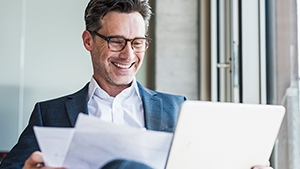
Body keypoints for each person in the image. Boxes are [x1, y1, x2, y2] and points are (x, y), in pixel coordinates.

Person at [0, 0, 273, 169]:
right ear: (88, 41)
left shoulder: (178, 108)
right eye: (116, 41)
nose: (128, 55)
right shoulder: (50, 113)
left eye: (138, 42)